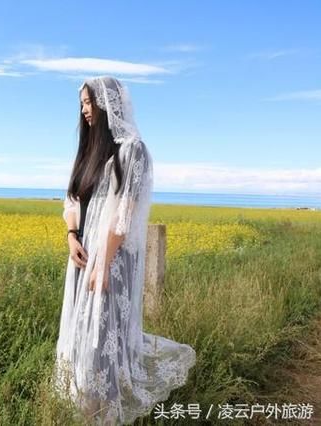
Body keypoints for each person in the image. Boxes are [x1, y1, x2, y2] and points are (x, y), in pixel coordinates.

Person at [53, 76, 196, 425]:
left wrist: (104, 263)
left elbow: (125, 213)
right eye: (82, 104)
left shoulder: (133, 150)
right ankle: (83, 404)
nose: (85, 110)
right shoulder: (88, 151)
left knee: (102, 337)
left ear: (109, 104)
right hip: (83, 256)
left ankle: (103, 411)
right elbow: (72, 199)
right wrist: (72, 236)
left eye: (90, 102)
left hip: (111, 259)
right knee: (81, 333)